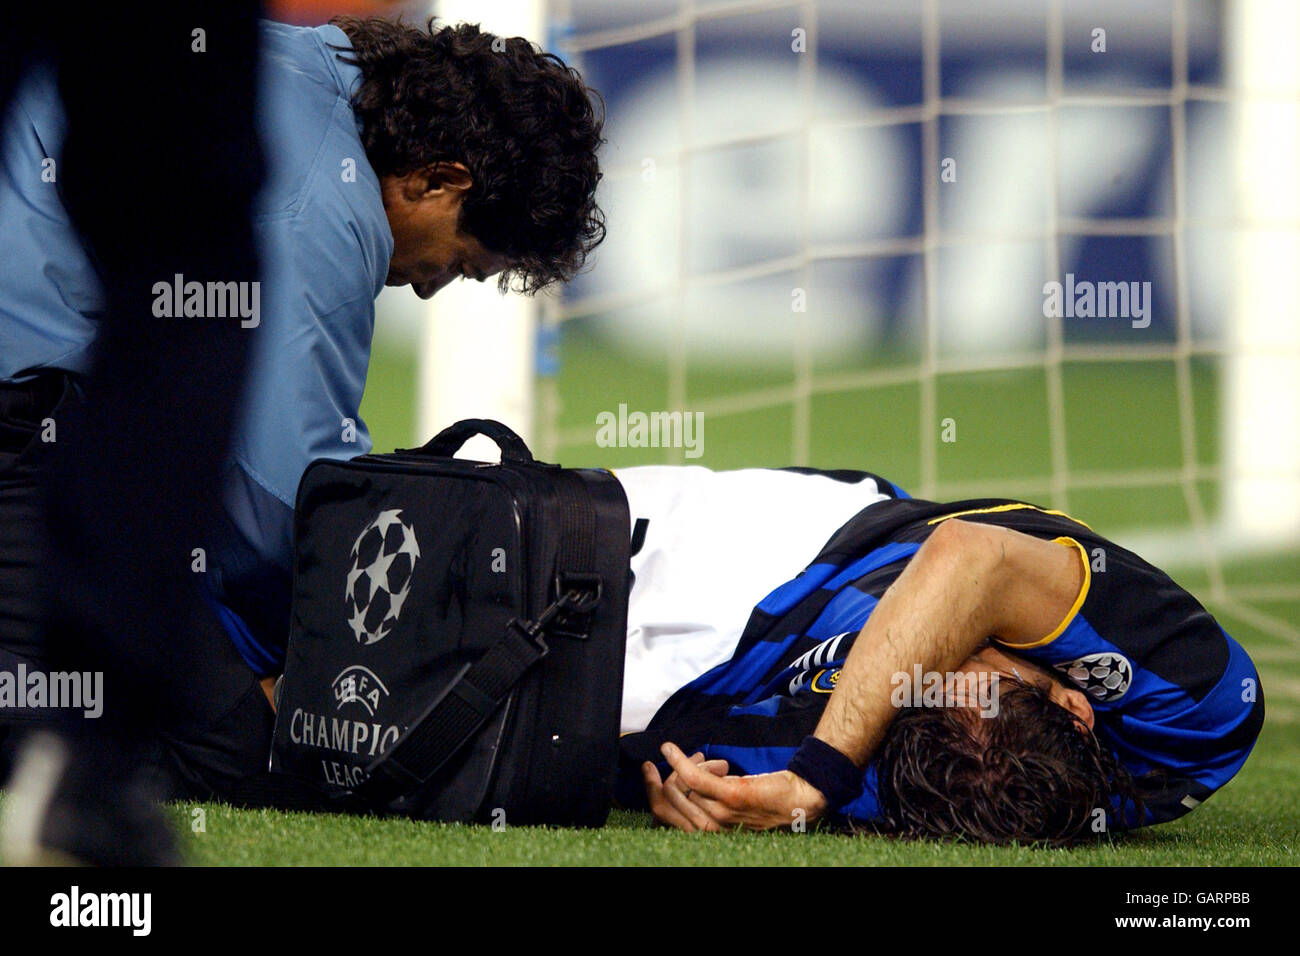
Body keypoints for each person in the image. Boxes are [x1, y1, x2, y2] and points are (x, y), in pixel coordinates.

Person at [0, 14, 605, 845]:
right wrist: (337, 662)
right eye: (461, 262)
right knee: (227, 749)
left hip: (39, 415)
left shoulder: (314, 63)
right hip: (17, 427)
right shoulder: (330, 205)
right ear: (439, 179)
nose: (431, 289)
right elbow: (276, 506)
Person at [612, 465, 1265, 844]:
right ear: (1073, 702)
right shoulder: (1196, 712)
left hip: (726, 684)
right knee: (531, 537)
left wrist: (687, 792)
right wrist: (820, 778)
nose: (914, 672)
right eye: (964, 670)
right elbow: (970, 556)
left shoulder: (923, 786)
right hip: (814, 547)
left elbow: (684, 772)